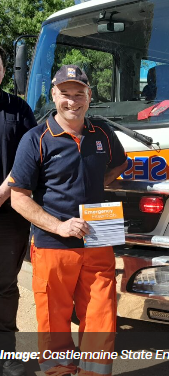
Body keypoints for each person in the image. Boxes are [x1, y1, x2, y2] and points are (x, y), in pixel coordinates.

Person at [9, 65, 127, 376]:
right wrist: (59, 226)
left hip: (98, 240)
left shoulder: (103, 133)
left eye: (79, 94)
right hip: (53, 246)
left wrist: (97, 183)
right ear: (53, 95)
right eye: (65, 94)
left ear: (89, 96)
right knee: (54, 324)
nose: (72, 101)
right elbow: (19, 197)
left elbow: (119, 165)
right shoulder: (36, 139)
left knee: (102, 319)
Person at [0, 46, 37, 376]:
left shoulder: (18, 109)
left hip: (9, 217)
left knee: (5, 286)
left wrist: (2, 192)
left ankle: (6, 354)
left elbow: (29, 160)